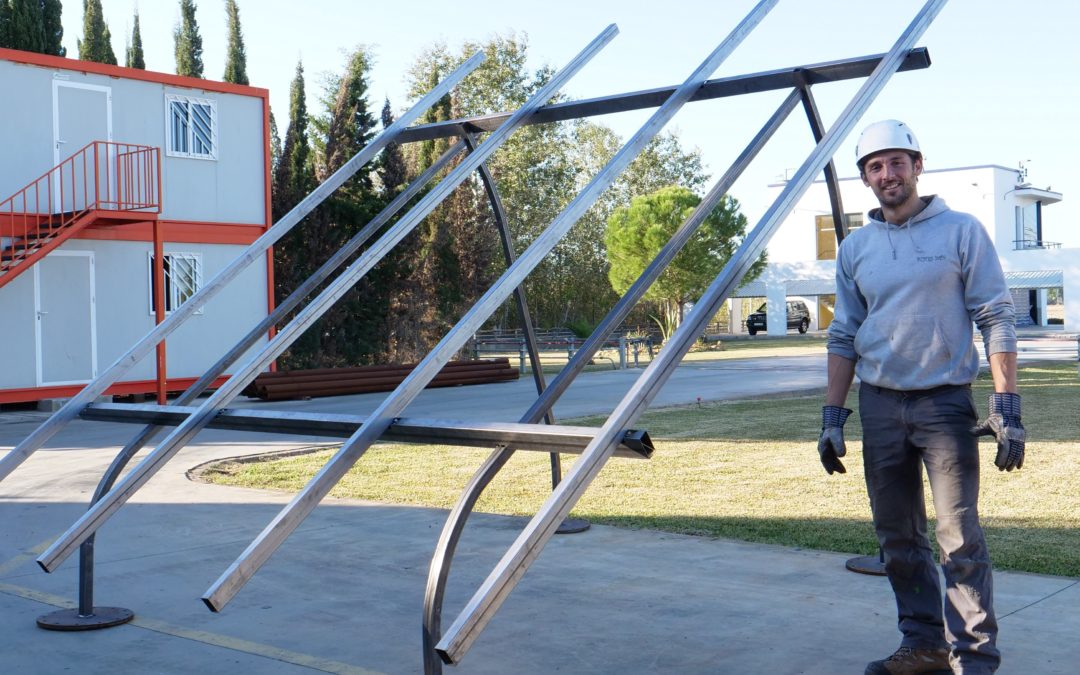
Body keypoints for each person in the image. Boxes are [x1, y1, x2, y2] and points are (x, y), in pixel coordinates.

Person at [817, 120, 1025, 675]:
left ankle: (976, 657)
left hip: (944, 406)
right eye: (875, 166)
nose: (888, 174)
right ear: (866, 178)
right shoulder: (856, 248)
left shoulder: (961, 231)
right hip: (880, 406)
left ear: (917, 165)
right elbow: (844, 334)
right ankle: (925, 644)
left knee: (958, 539)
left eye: (896, 162)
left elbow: (996, 315)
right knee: (897, 539)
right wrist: (832, 416)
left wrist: (1007, 407)